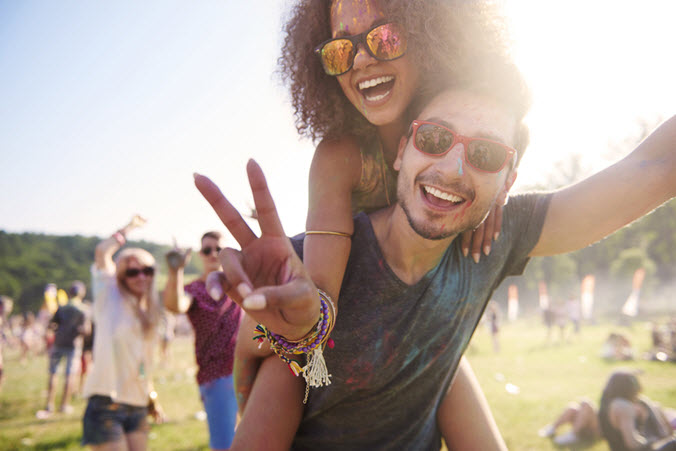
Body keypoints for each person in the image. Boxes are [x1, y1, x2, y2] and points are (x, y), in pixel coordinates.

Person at [196, 56, 676, 448]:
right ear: (403, 148)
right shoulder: (313, 275)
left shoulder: (497, 240)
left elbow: (656, 165)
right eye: (434, 138)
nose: (451, 167)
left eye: (485, 154)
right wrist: (289, 333)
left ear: (508, 181)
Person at [232, 0, 511, 448]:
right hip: (316, 350)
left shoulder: (479, 147)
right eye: (340, 52)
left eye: (386, 38)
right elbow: (318, 310)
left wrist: (490, 194)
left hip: (422, 336)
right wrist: (275, 329)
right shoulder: (339, 158)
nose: (361, 59)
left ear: (431, 39)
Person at [81, 215, 164, 450]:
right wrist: (128, 229)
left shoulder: (149, 310)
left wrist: (152, 396)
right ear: (121, 275)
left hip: (138, 404)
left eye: (146, 270)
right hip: (106, 403)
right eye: (132, 272)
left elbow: (143, 361)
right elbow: (101, 253)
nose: (140, 276)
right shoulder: (109, 294)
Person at [163, 231, 241, 451]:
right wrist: (176, 271)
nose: (213, 254)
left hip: (249, 369)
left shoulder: (239, 281)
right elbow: (175, 305)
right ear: (200, 254)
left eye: (219, 249)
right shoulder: (195, 289)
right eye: (207, 250)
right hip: (217, 374)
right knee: (225, 444)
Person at [40, 280, 87, 416]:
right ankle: (64, 405)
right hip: (73, 345)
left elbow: (51, 325)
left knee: (53, 373)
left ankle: (49, 404)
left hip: (58, 343)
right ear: (81, 293)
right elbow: (86, 330)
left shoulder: (61, 308)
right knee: (70, 375)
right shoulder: (83, 309)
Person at [599, 370, 676, 451]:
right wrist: (654, 442)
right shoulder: (623, 406)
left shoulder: (609, 405)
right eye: (635, 385)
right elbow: (632, 444)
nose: (639, 389)